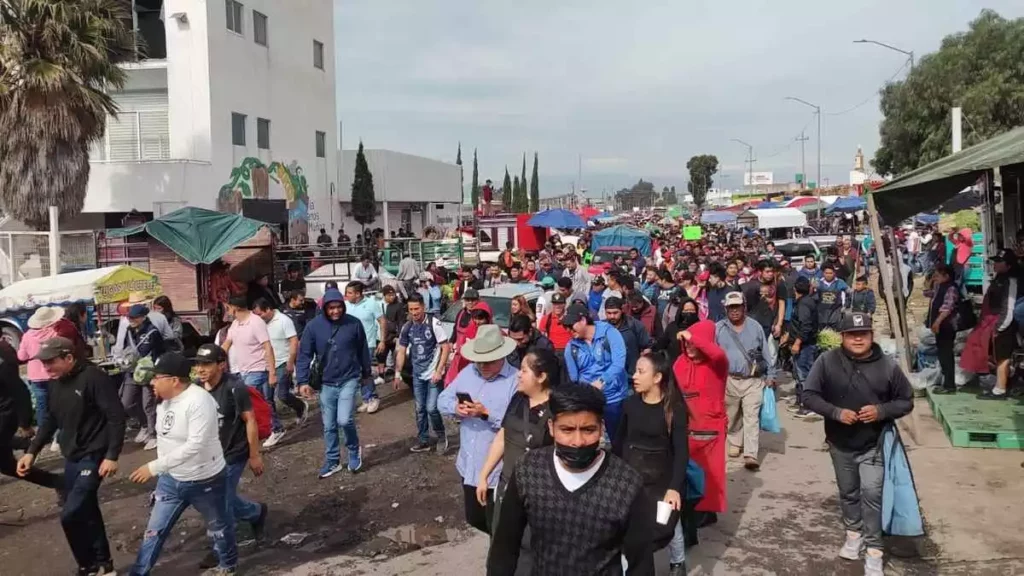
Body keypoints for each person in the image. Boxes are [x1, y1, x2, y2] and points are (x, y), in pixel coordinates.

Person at [486, 385, 655, 575]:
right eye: (566, 430)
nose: (577, 441)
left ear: (601, 428)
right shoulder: (528, 470)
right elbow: (505, 546)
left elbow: (641, 563)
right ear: (551, 427)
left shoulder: (626, 484)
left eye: (588, 430)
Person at [802, 312, 914, 576]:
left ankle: (874, 552)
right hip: (839, 443)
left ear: (871, 336)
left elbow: (906, 400)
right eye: (852, 334)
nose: (858, 339)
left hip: (873, 443)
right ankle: (854, 534)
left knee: (872, 495)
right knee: (849, 492)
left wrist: (881, 411)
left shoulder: (887, 365)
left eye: (863, 334)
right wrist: (835, 412)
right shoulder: (827, 361)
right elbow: (809, 395)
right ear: (842, 337)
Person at [18, 337, 124, 576]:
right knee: (86, 510)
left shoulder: (94, 377)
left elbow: (116, 417)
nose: (46, 368)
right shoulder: (56, 383)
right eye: (43, 364)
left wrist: (112, 455)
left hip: (94, 455)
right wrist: (31, 452)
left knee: (70, 514)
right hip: (72, 457)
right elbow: (49, 421)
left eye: (51, 362)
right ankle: (103, 565)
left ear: (68, 357)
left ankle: (87, 566)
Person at [128, 352, 237, 576]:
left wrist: (154, 467)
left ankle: (227, 566)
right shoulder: (163, 401)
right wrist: (163, 471)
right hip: (170, 481)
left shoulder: (199, 401)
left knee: (219, 528)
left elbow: (195, 445)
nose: (152, 382)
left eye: (157, 377)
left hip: (206, 480)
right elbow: (166, 439)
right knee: (154, 531)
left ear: (174, 380)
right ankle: (138, 573)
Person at [192, 344, 268, 570]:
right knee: (216, 498)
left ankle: (219, 549)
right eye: (198, 364)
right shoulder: (196, 389)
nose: (201, 369)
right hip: (208, 455)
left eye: (206, 364)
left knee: (219, 500)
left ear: (221, 365)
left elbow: (250, 420)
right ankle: (255, 512)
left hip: (233, 453)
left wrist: (255, 455)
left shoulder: (235, 387)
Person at [438, 325, 519, 534]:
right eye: (479, 361)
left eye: (488, 361)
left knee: (498, 525)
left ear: (501, 357)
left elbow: (517, 424)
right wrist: (457, 408)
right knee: (474, 518)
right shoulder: (468, 373)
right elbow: (443, 399)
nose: (482, 366)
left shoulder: (515, 382)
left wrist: (486, 414)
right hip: (469, 464)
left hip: (497, 470)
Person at [614, 351, 689, 575]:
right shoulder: (629, 405)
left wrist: (674, 489)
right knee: (630, 532)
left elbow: (681, 452)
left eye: (640, 371)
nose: (634, 376)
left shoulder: (673, 409)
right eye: (635, 371)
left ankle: (678, 562)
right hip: (632, 479)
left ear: (657, 377)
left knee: (667, 523)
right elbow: (619, 442)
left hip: (662, 481)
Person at [295, 288, 370, 477]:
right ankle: (333, 460)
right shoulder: (313, 327)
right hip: (326, 382)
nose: (335, 311)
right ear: (325, 308)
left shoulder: (354, 324)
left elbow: (363, 350)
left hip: (349, 379)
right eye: (331, 308)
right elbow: (304, 355)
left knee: (344, 419)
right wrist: (303, 381)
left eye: (338, 307)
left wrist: (367, 373)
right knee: (328, 425)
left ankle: (353, 451)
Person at [715, 292, 775, 471]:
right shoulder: (719, 328)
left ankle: (750, 453)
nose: (734, 311)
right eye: (730, 308)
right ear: (726, 309)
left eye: (737, 307)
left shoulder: (755, 326)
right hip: (729, 380)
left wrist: (770, 375)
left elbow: (766, 351)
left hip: (752, 379)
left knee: (751, 416)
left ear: (744, 307)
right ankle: (735, 441)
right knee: (732, 414)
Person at [562, 303, 629, 443]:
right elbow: (574, 378)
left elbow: (618, 363)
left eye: (571, 325)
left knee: (617, 440)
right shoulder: (571, 347)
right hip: (589, 402)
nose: (568, 330)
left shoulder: (609, 333)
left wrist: (602, 381)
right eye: (565, 326)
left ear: (583, 320)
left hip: (613, 399)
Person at [393, 293, 451, 453]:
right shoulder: (407, 327)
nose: (414, 313)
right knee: (419, 409)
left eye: (417, 309)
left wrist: (439, 370)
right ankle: (424, 439)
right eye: (411, 309)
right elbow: (401, 350)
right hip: (418, 375)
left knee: (431, 408)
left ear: (423, 307)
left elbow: (445, 347)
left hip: (433, 374)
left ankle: (441, 436)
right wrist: (397, 373)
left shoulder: (434, 323)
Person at [253, 298, 308, 445]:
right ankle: (276, 429)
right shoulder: (259, 324)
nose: (258, 318)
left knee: (282, 394)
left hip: (282, 362)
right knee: (267, 398)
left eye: (260, 314)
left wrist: (291, 362)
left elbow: (294, 341)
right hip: (265, 365)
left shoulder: (284, 320)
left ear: (268, 309)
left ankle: (300, 406)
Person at [972, 249, 1019, 400]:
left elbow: (1009, 307)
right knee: (994, 356)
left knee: (1002, 358)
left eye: (999, 262)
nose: (995, 264)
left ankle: (1000, 389)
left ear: (1009, 265)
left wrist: (1000, 327)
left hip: (1004, 323)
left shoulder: (1011, 281)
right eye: (995, 261)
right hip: (994, 322)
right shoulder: (999, 278)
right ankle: (1003, 383)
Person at [222, 295, 278, 413]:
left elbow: (268, 347)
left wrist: (272, 373)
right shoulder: (235, 324)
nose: (226, 311)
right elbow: (226, 344)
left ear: (234, 308)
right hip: (242, 371)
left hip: (257, 370)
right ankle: (272, 426)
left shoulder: (256, 322)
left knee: (245, 401)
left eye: (228, 308)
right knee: (257, 403)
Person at [122, 304, 165, 451]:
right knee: (127, 403)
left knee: (148, 404)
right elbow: (125, 348)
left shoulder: (152, 332)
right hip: (131, 372)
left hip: (148, 372)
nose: (131, 320)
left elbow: (161, 352)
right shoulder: (129, 331)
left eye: (134, 318)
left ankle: (153, 435)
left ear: (143, 317)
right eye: (129, 317)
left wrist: (157, 373)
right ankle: (145, 425)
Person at [344, 281, 386, 415]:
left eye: (349, 293)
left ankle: (372, 397)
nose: (347, 295)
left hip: (367, 344)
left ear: (358, 293)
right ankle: (366, 399)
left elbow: (382, 321)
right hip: (350, 345)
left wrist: (382, 340)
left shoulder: (371, 303)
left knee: (365, 371)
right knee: (357, 373)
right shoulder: (345, 306)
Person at [786, 277, 821, 420]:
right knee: (800, 375)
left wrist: (797, 343)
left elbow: (805, 326)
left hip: (805, 346)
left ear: (795, 289)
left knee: (804, 376)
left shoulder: (804, 304)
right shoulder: (804, 302)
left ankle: (808, 406)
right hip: (803, 344)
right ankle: (801, 402)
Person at [444, 288, 493, 386]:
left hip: (473, 357)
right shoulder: (460, 313)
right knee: (451, 383)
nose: (470, 302)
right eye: (467, 300)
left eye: (473, 300)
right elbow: (455, 330)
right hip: (458, 355)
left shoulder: (482, 315)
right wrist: (451, 342)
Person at [927, 264, 960, 395]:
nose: (936, 277)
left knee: (946, 354)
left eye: (938, 275)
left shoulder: (951, 289)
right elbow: (927, 293)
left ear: (946, 276)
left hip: (946, 326)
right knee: (942, 354)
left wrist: (937, 322)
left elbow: (947, 308)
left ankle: (949, 385)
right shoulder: (939, 287)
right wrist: (931, 281)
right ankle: (946, 382)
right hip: (940, 326)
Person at [603, 296, 651, 379]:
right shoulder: (602, 328)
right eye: (609, 313)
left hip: (630, 377)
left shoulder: (634, 325)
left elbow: (647, 346)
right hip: (608, 377)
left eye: (615, 313)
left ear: (622, 310)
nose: (612, 316)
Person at [654, 297, 700, 365]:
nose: (689, 313)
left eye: (692, 310)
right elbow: (661, 344)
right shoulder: (672, 327)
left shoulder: (700, 327)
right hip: (674, 366)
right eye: (686, 310)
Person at [816, 264, 849, 331]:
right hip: (822, 313)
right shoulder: (818, 282)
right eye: (826, 273)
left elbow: (850, 293)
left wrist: (845, 305)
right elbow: (812, 296)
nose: (828, 275)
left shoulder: (840, 282)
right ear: (823, 273)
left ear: (834, 273)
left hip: (836, 312)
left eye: (830, 273)